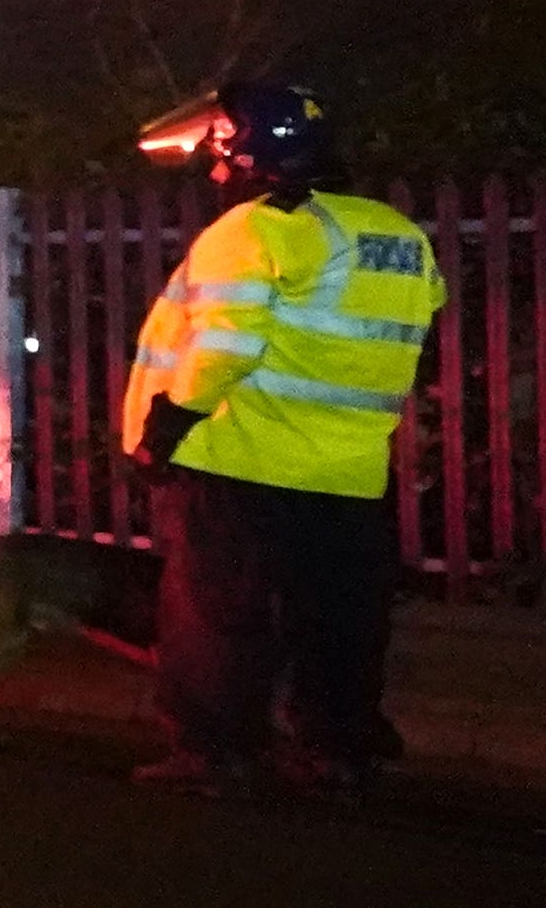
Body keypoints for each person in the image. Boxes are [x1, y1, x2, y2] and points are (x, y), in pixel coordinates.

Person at [118, 80, 444, 795]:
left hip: (240, 455)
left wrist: (165, 426)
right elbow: (412, 340)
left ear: (248, 154)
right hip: (348, 470)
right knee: (339, 619)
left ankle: (215, 751)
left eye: (219, 155)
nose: (212, 172)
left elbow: (225, 342)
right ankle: (338, 748)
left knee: (214, 614)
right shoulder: (396, 235)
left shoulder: (254, 229)